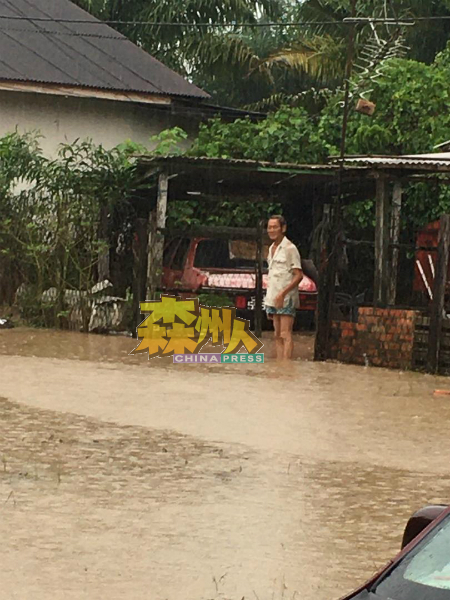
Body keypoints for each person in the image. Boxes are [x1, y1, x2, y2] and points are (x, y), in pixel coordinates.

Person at [265, 215, 303, 361]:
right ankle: (280, 366)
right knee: (276, 335)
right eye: (269, 227)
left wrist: (283, 293)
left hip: (286, 298)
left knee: (285, 333)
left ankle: (286, 365)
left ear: (283, 228)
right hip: (273, 297)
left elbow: (298, 275)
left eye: (275, 227)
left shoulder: (290, 248)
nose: (272, 230)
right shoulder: (271, 249)